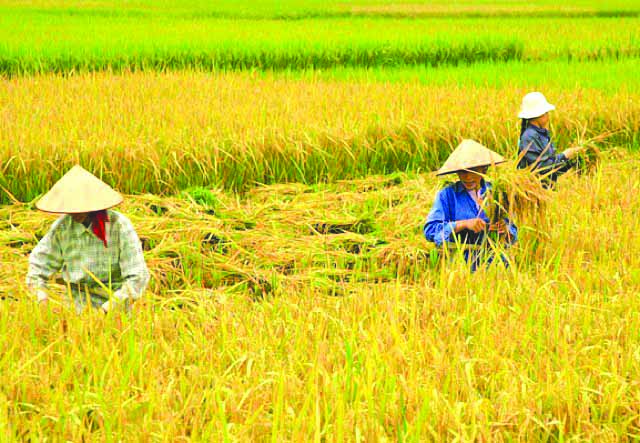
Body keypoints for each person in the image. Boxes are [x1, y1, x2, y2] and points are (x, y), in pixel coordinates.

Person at [26, 165, 150, 313]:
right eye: (69, 206)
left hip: (115, 306)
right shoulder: (63, 227)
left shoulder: (119, 226)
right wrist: (41, 300)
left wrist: (106, 310)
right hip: (76, 307)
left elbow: (137, 278)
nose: (74, 212)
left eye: (79, 206)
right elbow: (38, 267)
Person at [423, 139, 517, 271]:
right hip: (461, 267)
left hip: (496, 265)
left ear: (484, 169)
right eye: (462, 172)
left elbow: (513, 231)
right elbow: (430, 230)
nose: (467, 177)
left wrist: (505, 229)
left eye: (473, 171)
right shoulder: (447, 196)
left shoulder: (497, 193)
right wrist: (463, 224)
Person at [517, 92, 583, 183]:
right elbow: (542, 168)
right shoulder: (529, 137)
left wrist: (570, 161)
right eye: (546, 112)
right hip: (534, 191)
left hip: (547, 190)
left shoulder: (541, 134)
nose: (548, 115)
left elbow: (552, 169)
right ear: (538, 115)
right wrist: (565, 155)